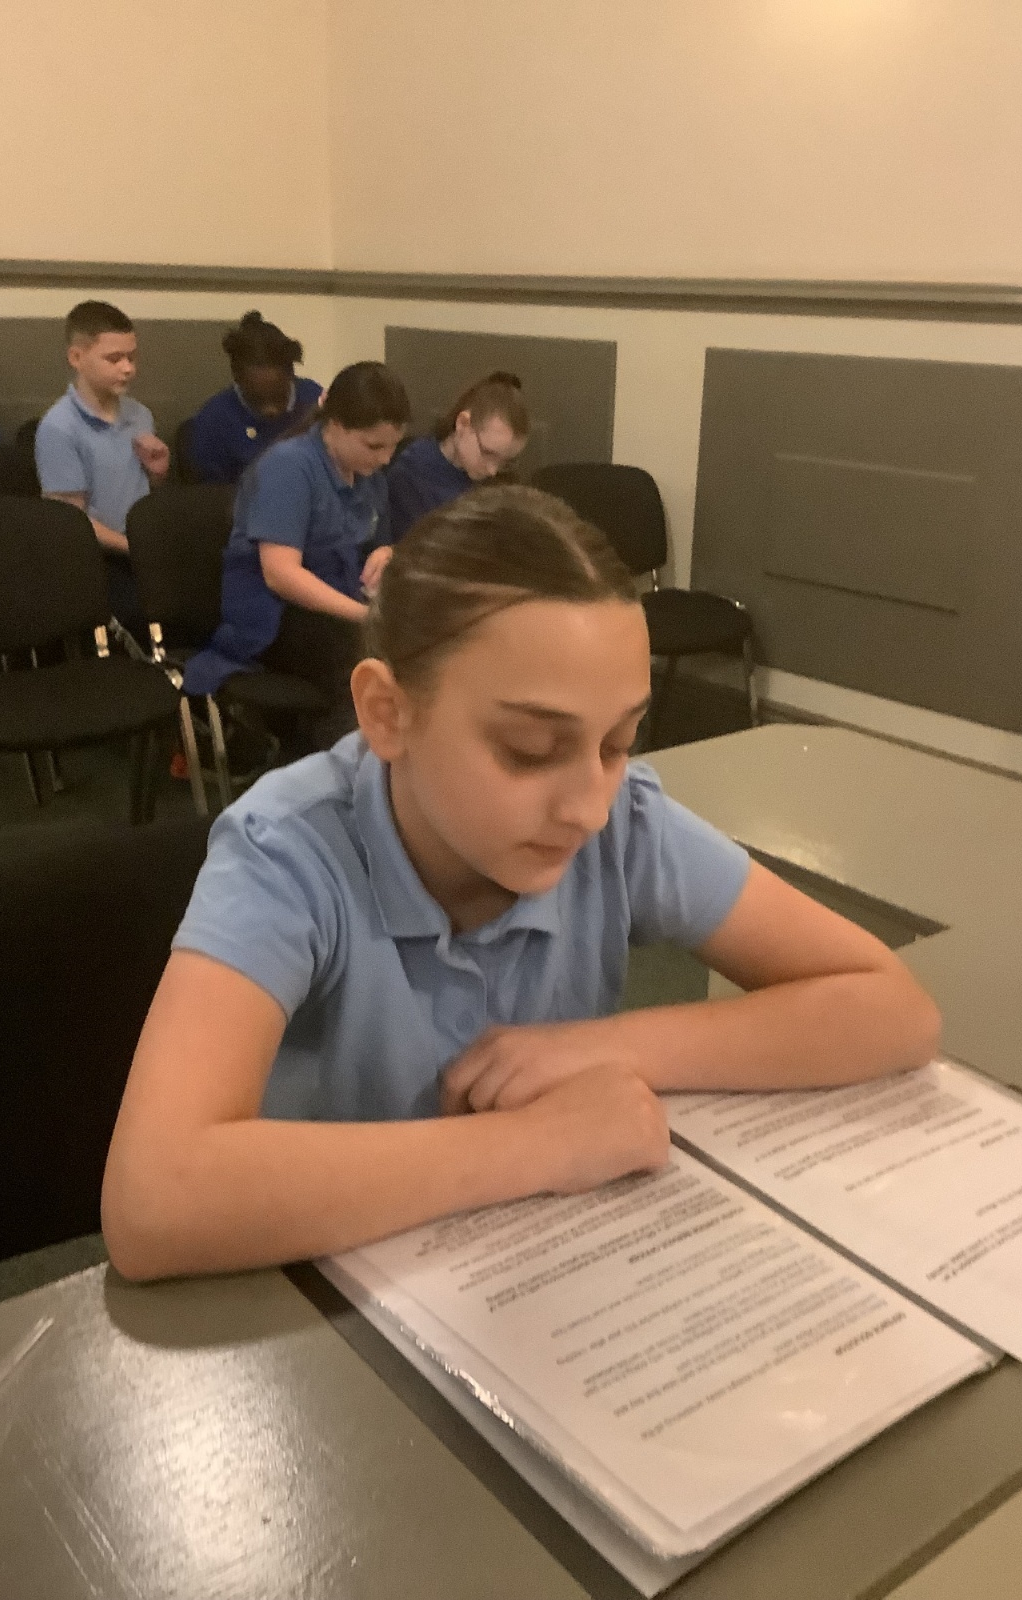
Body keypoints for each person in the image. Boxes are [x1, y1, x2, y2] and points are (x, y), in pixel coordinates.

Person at [102, 484, 941, 1282]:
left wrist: (602, 1048)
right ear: (388, 714)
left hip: (529, 1271)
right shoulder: (288, 851)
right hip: (322, 1288)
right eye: (530, 751)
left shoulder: (622, 824)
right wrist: (543, 1143)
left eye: (619, 744)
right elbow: (153, 1201)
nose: (589, 806)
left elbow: (893, 1009)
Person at [180, 362, 410, 744]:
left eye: (393, 447)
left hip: (333, 603)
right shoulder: (288, 466)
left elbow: (377, 540)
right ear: (335, 424)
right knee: (365, 669)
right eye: (374, 446)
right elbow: (281, 575)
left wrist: (385, 552)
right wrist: (365, 617)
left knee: (415, 651)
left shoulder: (367, 473)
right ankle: (343, 766)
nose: (386, 458)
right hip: (274, 617)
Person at [35, 301, 169, 627]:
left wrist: (158, 473)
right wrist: (136, 548)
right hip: (99, 559)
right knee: (148, 613)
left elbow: (149, 494)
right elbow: (71, 521)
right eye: (114, 358)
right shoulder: (59, 427)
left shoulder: (140, 415)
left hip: (141, 546)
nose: (128, 368)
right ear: (76, 358)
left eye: (132, 357)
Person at [386, 370, 529, 541]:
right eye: (487, 453)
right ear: (463, 424)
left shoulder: (500, 483)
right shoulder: (411, 475)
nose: (492, 470)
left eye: (505, 462)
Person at [187, 311, 322, 485]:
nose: (270, 410)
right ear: (237, 378)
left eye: (278, 397)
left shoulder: (316, 401)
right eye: (257, 399)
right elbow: (213, 495)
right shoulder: (214, 419)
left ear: (291, 375)